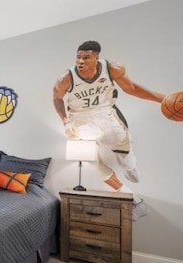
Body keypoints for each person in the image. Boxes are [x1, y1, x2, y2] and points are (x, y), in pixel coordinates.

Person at [53, 40, 165, 218]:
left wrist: (163, 99)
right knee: (90, 162)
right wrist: (65, 122)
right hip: (80, 122)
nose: (81, 61)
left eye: (86, 58)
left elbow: (132, 88)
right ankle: (133, 199)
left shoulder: (112, 69)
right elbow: (57, 98)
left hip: (106, 117)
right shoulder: (66, 78)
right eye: (78, 57)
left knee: (124, 155)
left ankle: (130, 165)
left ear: (97, 58)